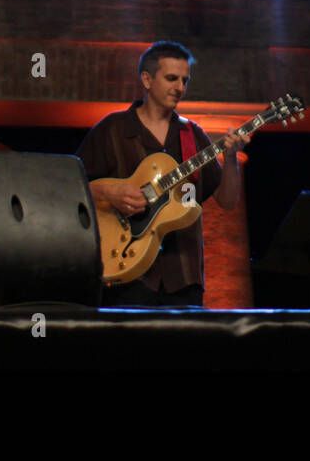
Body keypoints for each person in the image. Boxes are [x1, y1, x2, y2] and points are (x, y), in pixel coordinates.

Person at [77, 40, 245, 307]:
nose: (179, 88)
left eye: (184, 80)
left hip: (184, 277)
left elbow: (227, 201)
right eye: (171, 78)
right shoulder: (112, 129)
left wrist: (232, 156)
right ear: (146, 79)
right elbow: (73, 188)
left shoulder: (194, 135)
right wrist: (108, 191)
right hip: (126, 269)